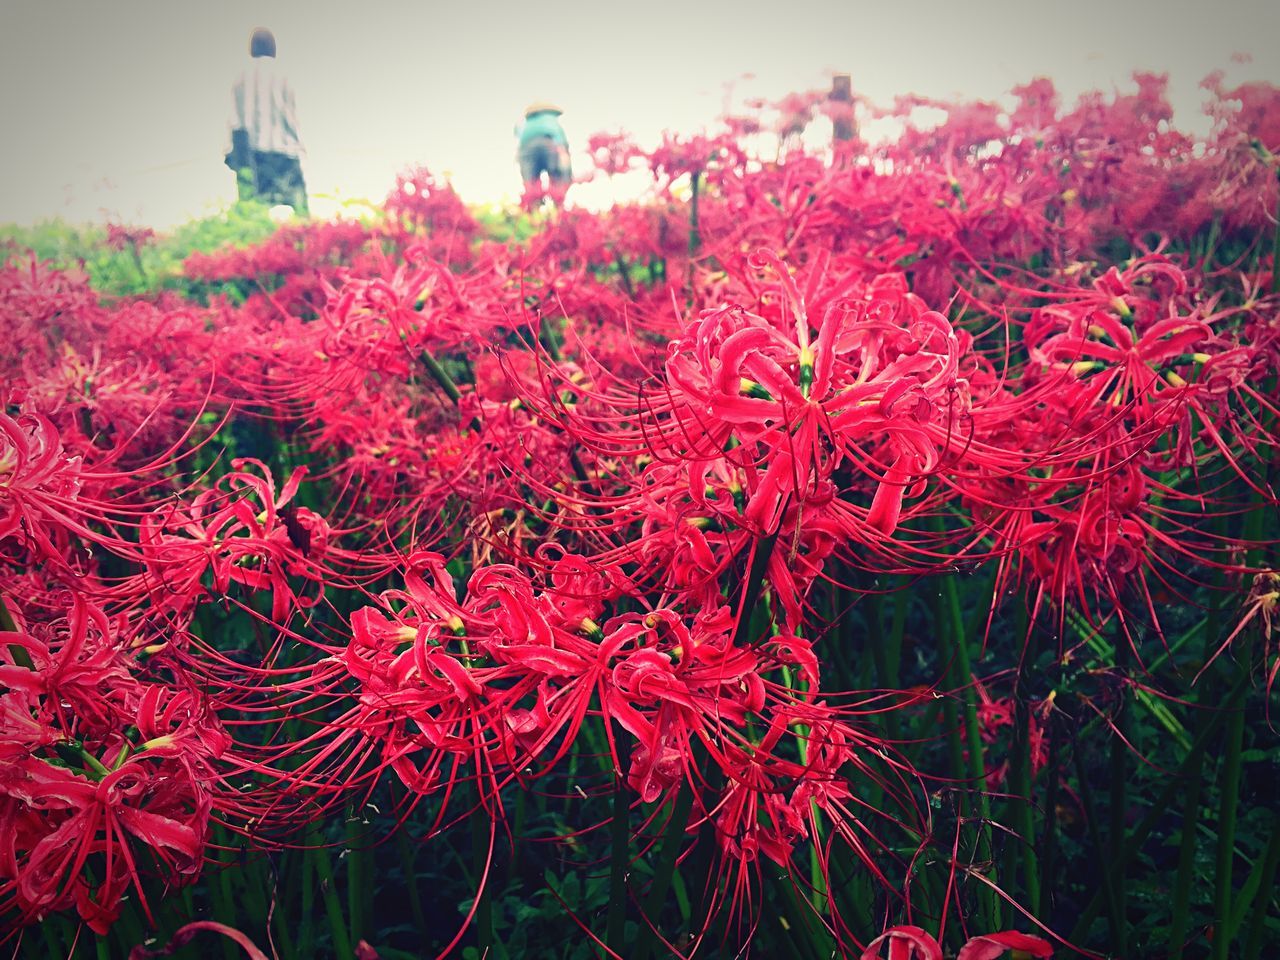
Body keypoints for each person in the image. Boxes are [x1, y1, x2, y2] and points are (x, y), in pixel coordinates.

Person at [225, 28, 308, 215]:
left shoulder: (239, 78)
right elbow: (294, 119)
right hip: (285, 157)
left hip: (253, 157)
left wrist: (236, 162)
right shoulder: (286, 76)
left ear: (251, 49)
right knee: (301, 218)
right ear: (273, 49)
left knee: (253, 218)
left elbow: (235, 124)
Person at [517, 102, 571, 208]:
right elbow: (559, 137)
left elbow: (518, 135)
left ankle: (533, 210)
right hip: (548, 145)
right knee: (558, 178)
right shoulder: (550, 119)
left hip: (526, 149)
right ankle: (558, 209)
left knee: (530, 182)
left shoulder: (526, 124)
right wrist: (564, 154)